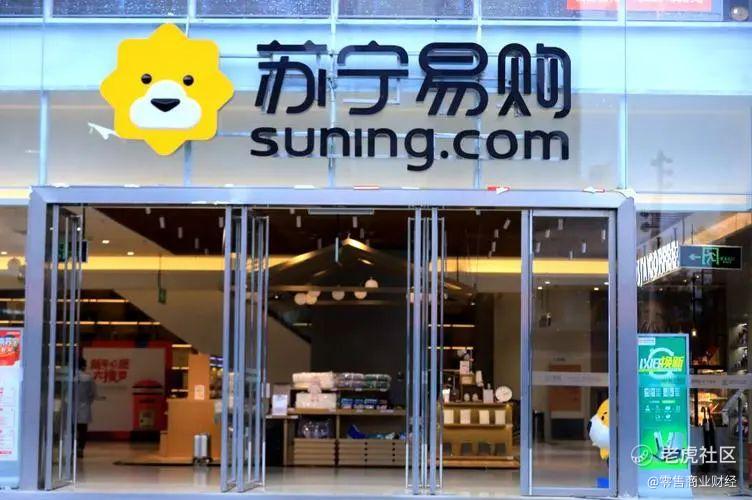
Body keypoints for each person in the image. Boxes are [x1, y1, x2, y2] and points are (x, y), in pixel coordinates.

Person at [76, 357, 98, 458]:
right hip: (84, 407)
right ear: (84, 366)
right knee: (82, 430)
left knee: (72, 430)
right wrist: (87, 402)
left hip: (71, 408)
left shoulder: (71, 377)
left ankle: (72, 448)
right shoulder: (88, 378)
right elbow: (93, 393)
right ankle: (80, 448)